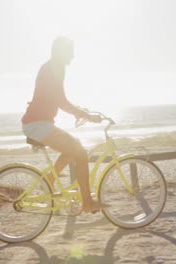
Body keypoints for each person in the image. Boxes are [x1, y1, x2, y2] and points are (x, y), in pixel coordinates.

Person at [21, 36, 108, 213]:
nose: (73, 56)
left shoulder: (52, 66)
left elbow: (57, 99)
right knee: (81, 152)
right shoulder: (55, 67)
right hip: (38, 124)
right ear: (62, 51)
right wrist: (85, 115)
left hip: (37, 123)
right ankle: (87, 203)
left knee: (72, 149)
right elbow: (60, 100)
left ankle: (49, 181)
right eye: (71, 51)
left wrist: (81, 111)